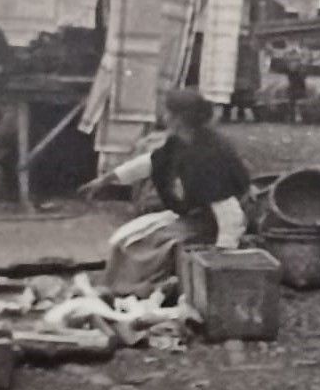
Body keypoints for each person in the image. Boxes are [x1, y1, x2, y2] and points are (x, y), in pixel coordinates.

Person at [96, 88, 251, 295]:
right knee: (124, 238)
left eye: (168, 112)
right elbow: (154, 162)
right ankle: (119, 285)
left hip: (213, 224)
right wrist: (108, 179)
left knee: (143, 247)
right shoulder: (181, 141)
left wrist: (223, 252)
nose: (164, 116)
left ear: (180, 118)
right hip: (194, 215)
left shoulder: (209, 156)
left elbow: (229, 212)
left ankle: (136, 288)